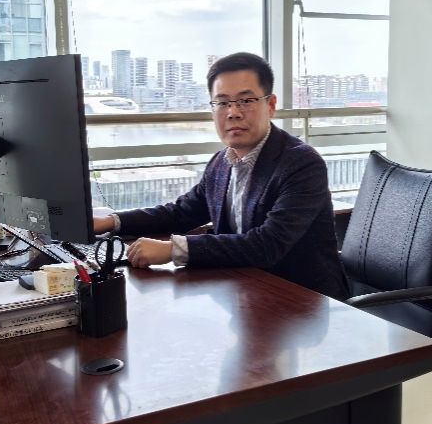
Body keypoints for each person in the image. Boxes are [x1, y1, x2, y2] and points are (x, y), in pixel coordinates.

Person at [93, 52, 348, 300]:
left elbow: (267, 245)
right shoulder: (221, 162)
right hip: (244, 290)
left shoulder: (301, 163)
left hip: (303, 300)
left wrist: (173, 250)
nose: (233, 112)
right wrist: (111, 222)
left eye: (246, 101)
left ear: (270, 105)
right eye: (223, 102)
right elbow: (180, 213)